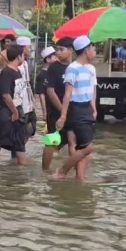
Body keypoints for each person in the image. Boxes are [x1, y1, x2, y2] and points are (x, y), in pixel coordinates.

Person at [55, 36, 98, 181]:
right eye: (92, 48)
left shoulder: (91, 69)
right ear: (86, 50)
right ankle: (63, 171)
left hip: (86, 109)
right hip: (76, 109)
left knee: (79, 145)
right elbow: (67, 94)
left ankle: (80, 178)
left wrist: (94, 109)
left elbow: (92, 91)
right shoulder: (72, 68)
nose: (94, 51)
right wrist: (63, 116)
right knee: (88, 147)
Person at [0, 45, 29, 166]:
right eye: (23, 55)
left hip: (17, 110)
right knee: (0, 137)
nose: (24, 58)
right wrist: (14, 112)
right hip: (5, 111)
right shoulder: (6, 73)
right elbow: (6, 95)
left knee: (19, 139)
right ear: (18, 56)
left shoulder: (17, 71)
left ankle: (21, 165)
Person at [42, 38, 75, 172]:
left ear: (71, 50)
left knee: (73, 142)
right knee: (52, 141)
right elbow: (50, 91)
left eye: (61, 49)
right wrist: (63, 112)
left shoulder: (75, 67)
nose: (58, 52)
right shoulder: (54, 68)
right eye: (57, 49)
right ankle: (45, 171)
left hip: (73, 111)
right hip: (56, 112)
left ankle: (71, 172)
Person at [15, 36, 37, 136]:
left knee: (31, 129)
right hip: (21, 104)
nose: (31, 49)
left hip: (29, 104)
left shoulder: (25, 63)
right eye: (29, 47)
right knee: (21, 131)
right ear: (23, 48)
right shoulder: (17, 66)